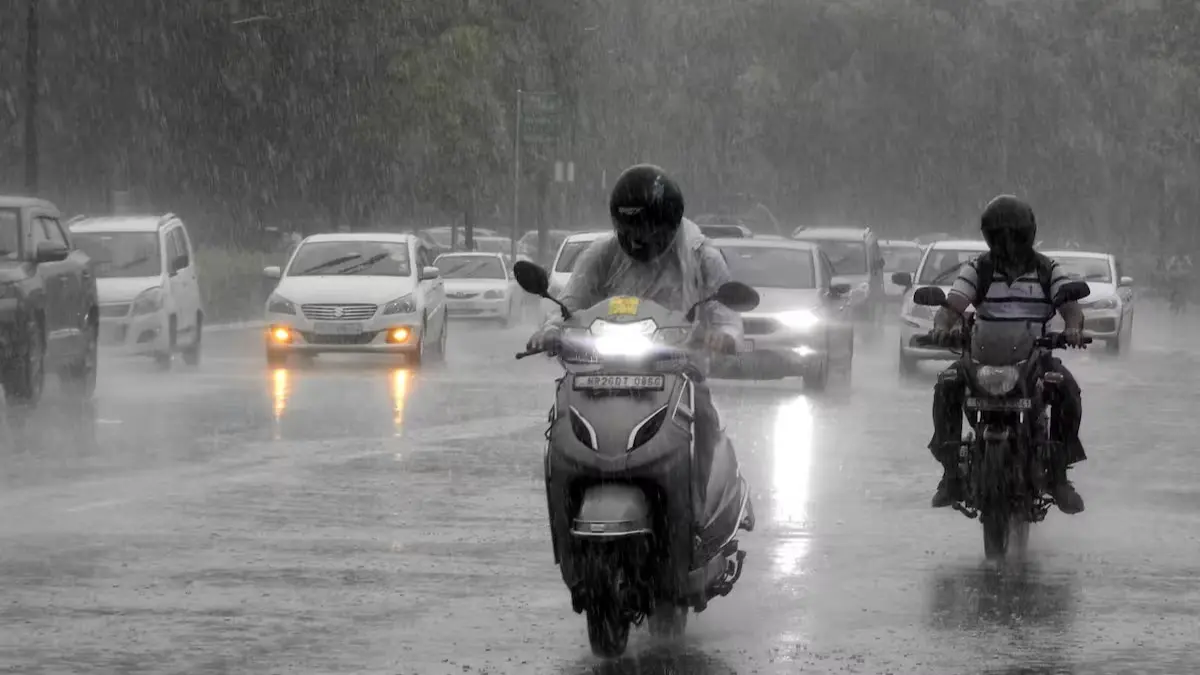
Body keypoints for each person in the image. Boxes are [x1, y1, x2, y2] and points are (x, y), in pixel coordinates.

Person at [526, 164, 746, 515]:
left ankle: (698, 511)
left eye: (646, 227)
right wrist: (551, 330)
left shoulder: (702, 257)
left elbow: (728, 317)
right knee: (561, 420)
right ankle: (567, 508)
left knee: (702, 416)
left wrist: (726, 337)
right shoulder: (601, 254)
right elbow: (570, 305)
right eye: (627, 228)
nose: (637, 239)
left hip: (677, 369)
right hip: (602, 369)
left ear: (669, 223)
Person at [927, 195, 1087, 514]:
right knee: (946, 385)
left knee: (1067, 389)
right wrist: (942, 326)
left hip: (1034, 358)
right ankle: (951, 473)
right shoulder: (978, 268)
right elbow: (953, 306)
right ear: (989, 237)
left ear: (1027, 235)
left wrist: (1073, 328)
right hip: (983, 356)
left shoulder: (1047, 269)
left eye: (1014, 235)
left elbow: (1071, 309)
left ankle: (1057, 474)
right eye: (1000, 236)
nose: (1008, 244)